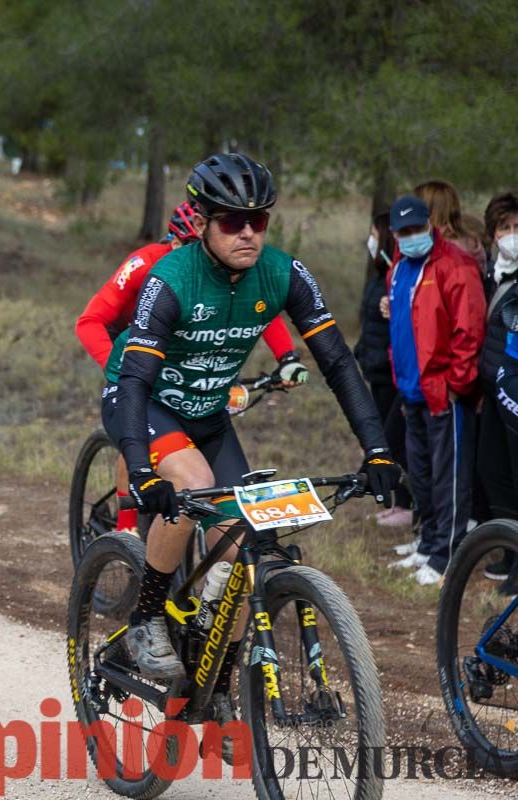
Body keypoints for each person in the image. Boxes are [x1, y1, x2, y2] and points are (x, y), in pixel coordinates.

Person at [113, 154, 400, 692]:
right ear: (201, 221)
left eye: (259, 220)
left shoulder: (283, 272)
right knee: (192, 484)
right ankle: (145, 619)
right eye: (231, 221)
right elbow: (133, 383)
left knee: (248, 542)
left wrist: (378, 449)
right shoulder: (170, 278)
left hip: (208, 410)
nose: (247, 233)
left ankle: (216, 686)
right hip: (146, 399)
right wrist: (139, 469)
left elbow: (338, 363)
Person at [77, 200, 304, 532]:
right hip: (131, 344)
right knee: (136, 422)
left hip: (186, 349)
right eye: (189, 246)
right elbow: (89, 321)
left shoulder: (224, 272)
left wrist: (288, 357)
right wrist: (127, 370)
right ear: (176, 240)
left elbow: (257, 310)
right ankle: (125, 529)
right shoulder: (145, 263)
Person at [383, 195, 485, 585]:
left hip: (446, 391)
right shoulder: (399, 268)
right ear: (395, 234)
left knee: (449, 477)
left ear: (430, 225)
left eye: (417, 229)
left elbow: (469, 330)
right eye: (403, 232)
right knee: (422, 476)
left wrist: (457, 384)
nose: (411, 237)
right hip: (412, 390)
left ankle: (448, 554)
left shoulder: (454, 266)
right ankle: (429, 542)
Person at [354, 211, 415, 527]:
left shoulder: (397, 275)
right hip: (375, 369)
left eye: (375, 234)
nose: (371, 240)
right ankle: (397, 503)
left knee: (396, 440)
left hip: (391, 372)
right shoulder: (380, 275)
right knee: (386, 437)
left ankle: (408, 503)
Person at [476, 192, 518, 588]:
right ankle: (509, 549)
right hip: (491, 388)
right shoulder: (494, 272)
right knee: (493, 469)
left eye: (517, 228)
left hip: (515, 392)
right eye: (504, 228)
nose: (511, 236)